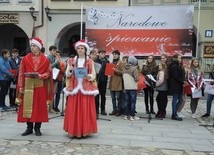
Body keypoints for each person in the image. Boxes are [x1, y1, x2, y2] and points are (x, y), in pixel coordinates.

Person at [16, 37, 53, 136]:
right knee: (27, 107)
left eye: (34, 46)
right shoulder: (25, 59)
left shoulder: (45, 60)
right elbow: (21, 73)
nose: (32, 47)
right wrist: (20, 85)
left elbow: (49, 72)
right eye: (31, 45)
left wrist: (41, 75)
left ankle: (37, 128)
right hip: (28, 86)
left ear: (39, 47)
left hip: (40, 86)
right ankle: (29, 128)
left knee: (39, 108)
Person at [63, 40, 98, 138]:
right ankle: (74, 130)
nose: (80, 50)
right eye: (78, 48)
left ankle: (84, 130)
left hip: (85, 88)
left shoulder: (89, 61)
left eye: (82, 48)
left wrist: (88, 76)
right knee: (73, 110)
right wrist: (70, 70)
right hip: (74, 88)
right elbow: (67, 74)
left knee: (85, 110)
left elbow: (94, 75)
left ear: (85, 50)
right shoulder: (71, 61)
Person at [168, 54, 185, 121]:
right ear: (175, 58)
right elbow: (176, 76)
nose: (180, 59)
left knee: (181, 100)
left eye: (181, 58)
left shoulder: (178, 65)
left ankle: (175, 112)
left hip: (178, 84)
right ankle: (174, 114)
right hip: (175, 85)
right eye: (179, 58)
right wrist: (183, 82)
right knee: (175, 99)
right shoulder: (174, 66)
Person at [122, 56, 139, 121]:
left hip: (126, 87)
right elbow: (136, 78)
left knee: (126, 102)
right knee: (132, 102)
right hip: (133, 87)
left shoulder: (124, 68)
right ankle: (132, 116)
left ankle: (126, 115)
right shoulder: (134, 68)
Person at [109, 50, 124, 116]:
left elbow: (123, 73)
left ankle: (119, 110)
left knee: (118, 98)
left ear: (118, 55)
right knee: (113, 98)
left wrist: (116, 70)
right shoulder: (111, 62)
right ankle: (114, 110)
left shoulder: (121, 62)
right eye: (113, 54)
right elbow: (109, 72)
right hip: (112, 81)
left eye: (115, 54)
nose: (114, 55)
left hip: (118, 82)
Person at [95, 49, 109, 116]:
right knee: (96, 95)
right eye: (101, 53)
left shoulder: (106, 61)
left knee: (103, 95)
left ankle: (103, 109)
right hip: (97, 80)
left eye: (104, 53)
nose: (103, 54)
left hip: (104, 80)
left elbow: (109, 71)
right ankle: (96, 109)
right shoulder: (96, 60)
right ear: (99, 54)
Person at [47, 45, 59, 113]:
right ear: (50, 51)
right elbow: (49, 66)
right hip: (50, 77)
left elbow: (58, 67)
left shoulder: (55, 57)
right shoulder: (48, 58)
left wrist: (58, 62)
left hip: (55, 76)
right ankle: (49, 108)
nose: (55, 52)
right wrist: (56, 62)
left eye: (55, 50)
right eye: (53, 50)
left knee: (53, 93)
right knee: (50, 93)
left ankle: (51, 107)